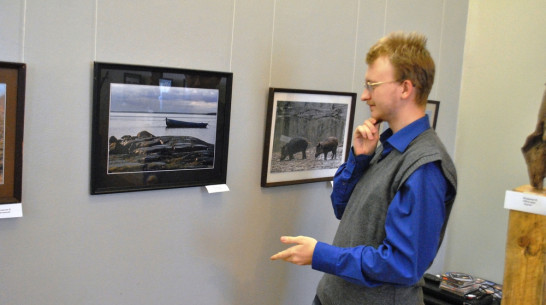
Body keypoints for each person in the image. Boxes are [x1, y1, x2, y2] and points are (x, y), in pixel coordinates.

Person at [270, 31, 457, 305]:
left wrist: (320, 254)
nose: (365, 95)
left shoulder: (425, 166)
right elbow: (342, 208)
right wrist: (358, 160)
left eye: (373, 85)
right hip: (334, 295)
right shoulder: (384, 145)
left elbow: (402, 264)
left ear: (405, 88)